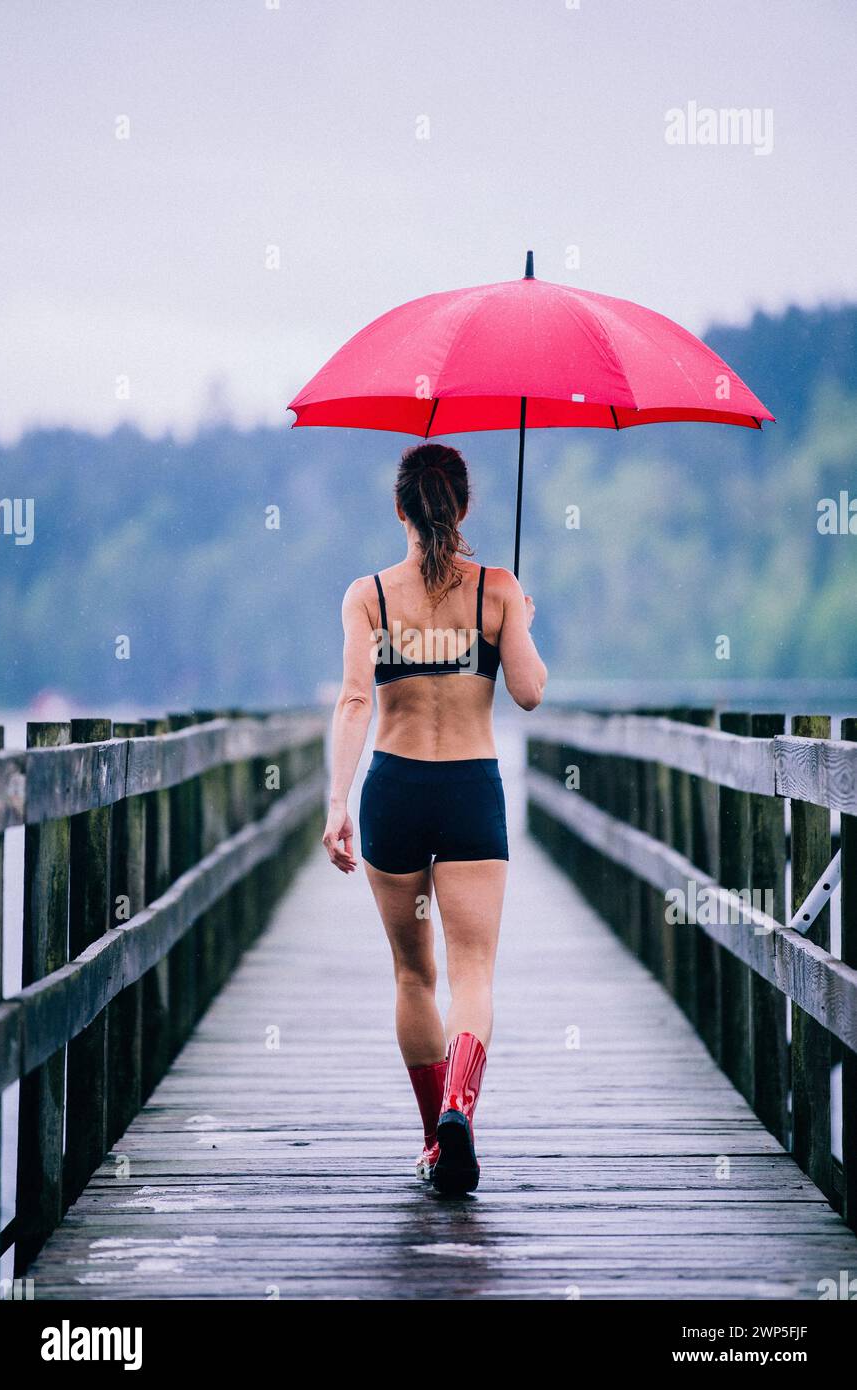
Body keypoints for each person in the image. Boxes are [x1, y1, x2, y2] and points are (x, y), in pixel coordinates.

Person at [322, 443, 547, 1194]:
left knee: (413, 973)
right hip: (470, 791)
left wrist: (336, 802)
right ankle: (460, 1106)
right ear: (466, 507)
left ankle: (432, 1140)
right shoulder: (498, 589)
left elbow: (355, 699)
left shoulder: (369, 596)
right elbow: (530, 692)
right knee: (473, 970)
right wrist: (522, 619)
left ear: (400, 509)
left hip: (395, 791)